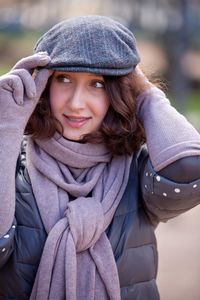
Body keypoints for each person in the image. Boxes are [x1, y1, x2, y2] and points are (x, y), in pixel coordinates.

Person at [0, 15, 200, 300]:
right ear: (43, 86)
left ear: (119, 91)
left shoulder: (139, 168)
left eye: (98, 84)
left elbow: (190, 169)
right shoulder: (13, 165)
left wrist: (145, 94)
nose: (76, 103)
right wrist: (5, 128)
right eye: (64, 79)